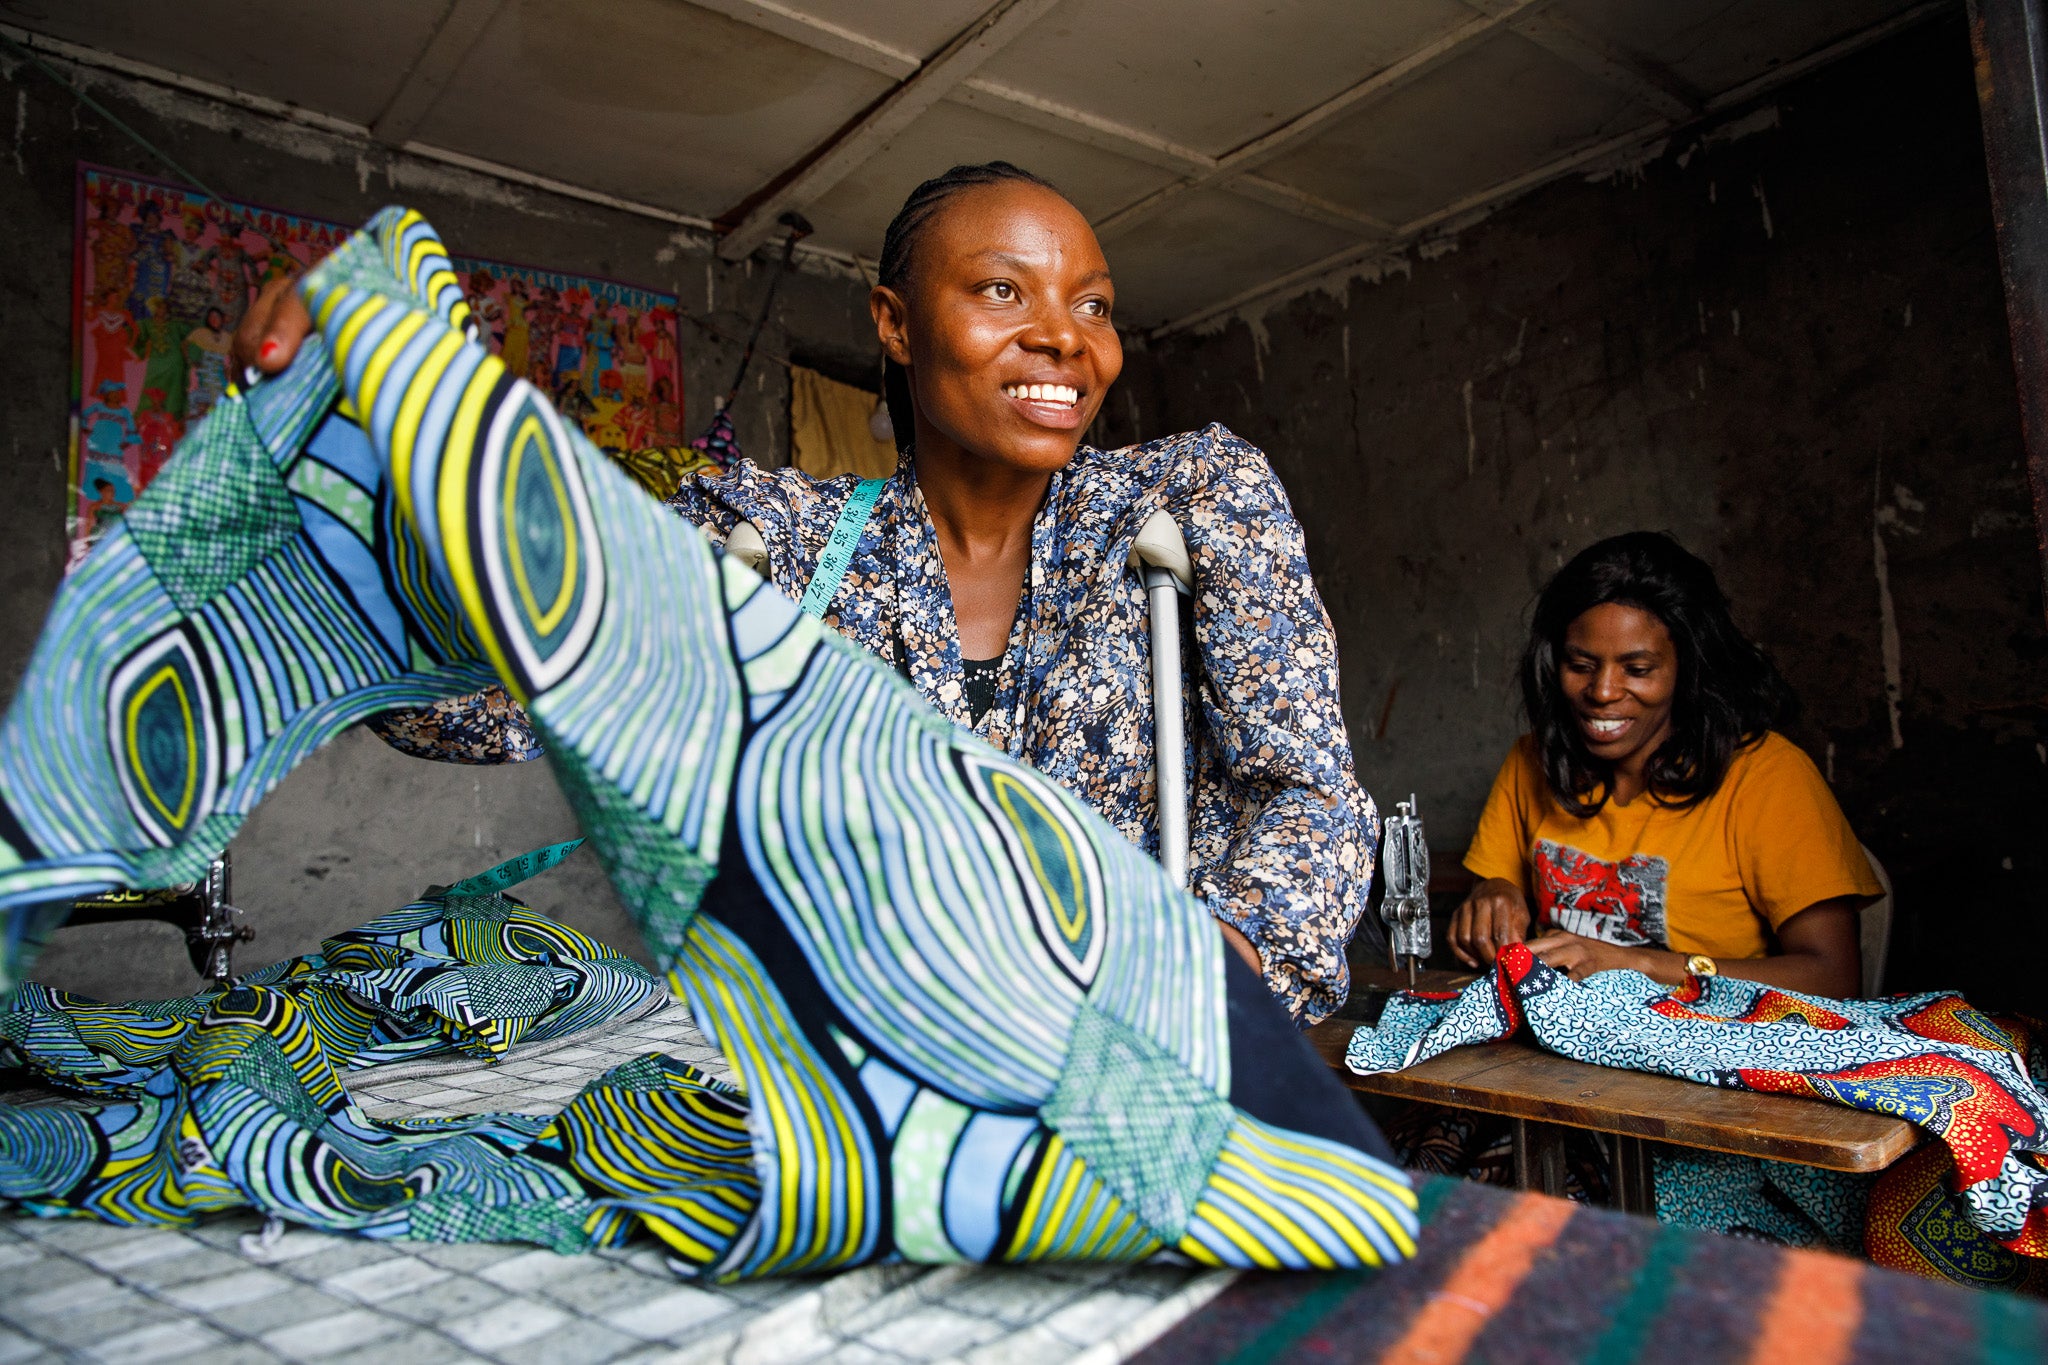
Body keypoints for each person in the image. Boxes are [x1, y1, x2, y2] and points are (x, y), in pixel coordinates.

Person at [231, 161, 1380, 1027]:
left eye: (1091, 304)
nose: (1061, 339)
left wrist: (1208, 986)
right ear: (892, 321)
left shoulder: (1186, 499)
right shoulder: (768, 540)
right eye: (999, 289)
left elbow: (1312, 799)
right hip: (859, 1083)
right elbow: (464, 708)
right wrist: (342, 448)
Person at [1449, 531, 1879, 997]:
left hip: (1717, 1052)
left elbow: (1835, 978)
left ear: (1688, 669)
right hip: (1569, 1057)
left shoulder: (1767, 776)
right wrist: (1493, 891)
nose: (1603, 691)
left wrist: (1635, 964)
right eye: (1581, 664)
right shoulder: (1532, 761)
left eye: (1637, 670)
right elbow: (1495, 891)